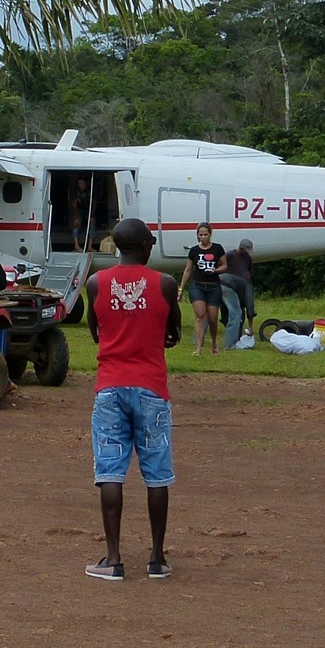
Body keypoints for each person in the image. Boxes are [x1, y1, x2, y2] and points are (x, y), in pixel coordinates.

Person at [83, 216, 181, 581]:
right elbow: (174, 331)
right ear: (144, 246)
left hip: (110, 386)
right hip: (151, 387)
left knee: (110, 472)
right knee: (157, 475)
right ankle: (157, 558)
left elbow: (96, 332)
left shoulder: (96, 283)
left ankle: (113, 559)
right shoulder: (165, 283)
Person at [179, 222, 227, 355]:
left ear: (210, 234)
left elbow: (225, 265)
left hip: (213, 286)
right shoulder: (194, 250)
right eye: (201, 235)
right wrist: (181, 288)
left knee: (212, 318)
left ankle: (214, 342)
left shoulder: (217, 248)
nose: (203, 237)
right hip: (197, 285)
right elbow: (188, 270)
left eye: (205, 234)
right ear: (197, 235)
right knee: (200, 316)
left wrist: (216, 270)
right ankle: (198, 347)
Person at [221, 238, 255, 348]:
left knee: (238, 314)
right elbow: (250, 306)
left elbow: (248, 271)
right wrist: (251, 326)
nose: (247, 253)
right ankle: (230, 344)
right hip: (228, 285)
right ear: (241, 248)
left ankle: (236, 336)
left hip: (237, 286)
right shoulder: (230, 255)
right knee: (235, 314)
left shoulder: (247, 258)